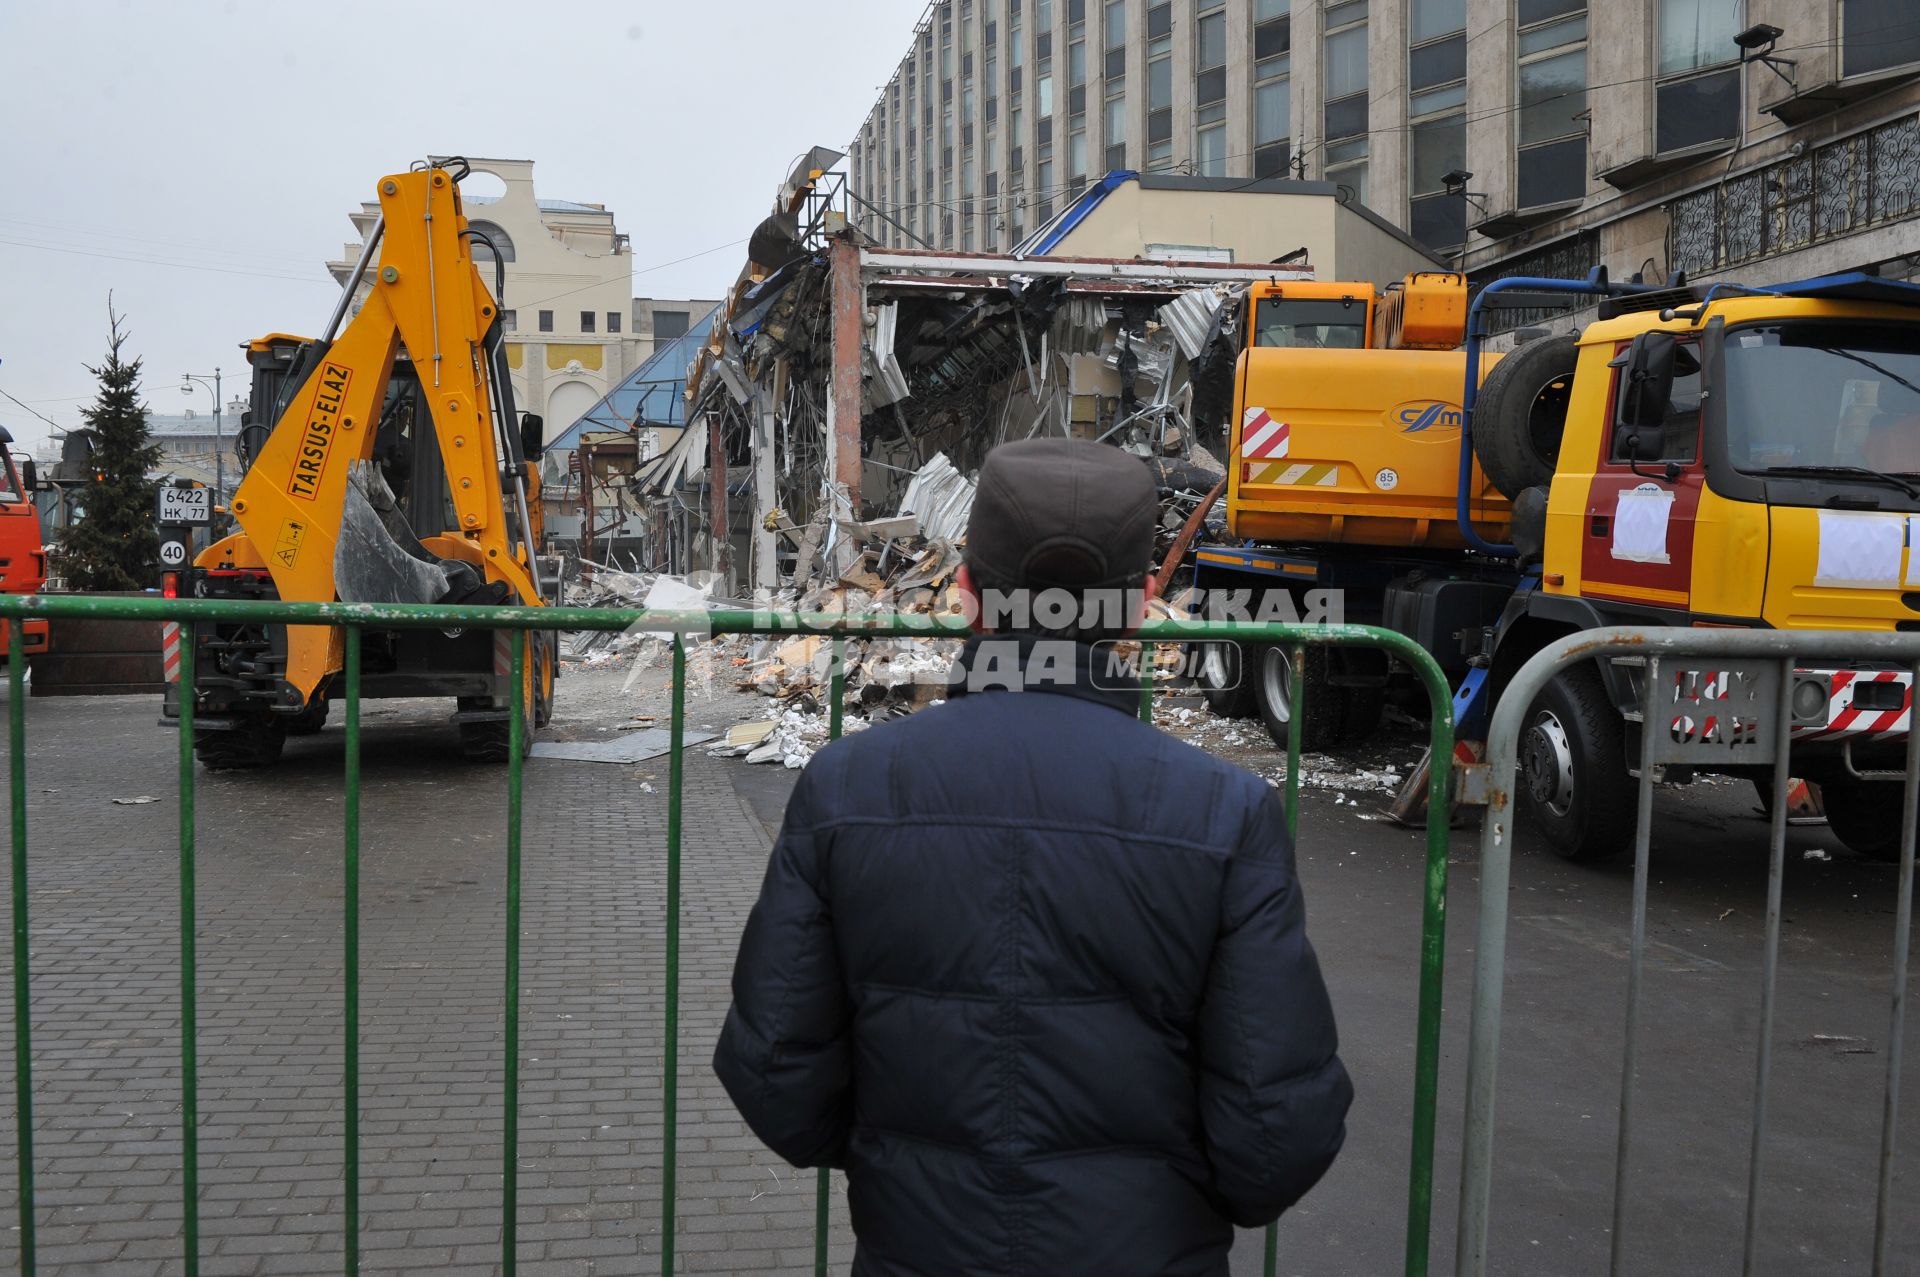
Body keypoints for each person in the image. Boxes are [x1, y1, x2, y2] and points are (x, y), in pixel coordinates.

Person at [714, 437, 1352, 1276]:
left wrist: (899, 1157)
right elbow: (1278, 1130)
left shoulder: (846, 790)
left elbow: (774, 1070)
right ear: (1139, 606)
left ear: (968, 591)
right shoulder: (1226, 815)